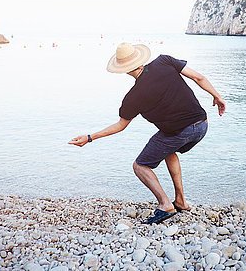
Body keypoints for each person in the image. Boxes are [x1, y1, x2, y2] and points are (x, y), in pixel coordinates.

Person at [69, 42, 226, 224]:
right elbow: (198, 78)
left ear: (124, 70)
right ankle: (181, 201)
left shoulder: (133, 97)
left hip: (180, 132)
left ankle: (165, 204)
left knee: (140, 166)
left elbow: (121, 125)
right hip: (202, 125)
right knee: (168, 147)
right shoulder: (164, 61)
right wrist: (217, 96)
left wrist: (89, 138)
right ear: (139, 58)